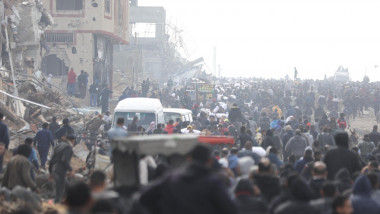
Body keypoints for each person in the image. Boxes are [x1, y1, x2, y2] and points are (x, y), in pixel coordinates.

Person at [140, 144, 238, 214]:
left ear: (189, 158)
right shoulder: (213, 183)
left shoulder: (171, 178)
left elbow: (144, 198)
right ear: (209, 161)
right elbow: (231, 209)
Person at [49, 135, 75, 203]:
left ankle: (67, 202)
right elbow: (64, 160)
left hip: (55, 169)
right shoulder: (68, 147)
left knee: (66, 187)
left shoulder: (59, 145)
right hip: (60, 171)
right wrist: (71, 170)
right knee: (60, 191)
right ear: (72, 140)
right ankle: (57, 206)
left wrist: (50, 172)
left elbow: (51, 160)